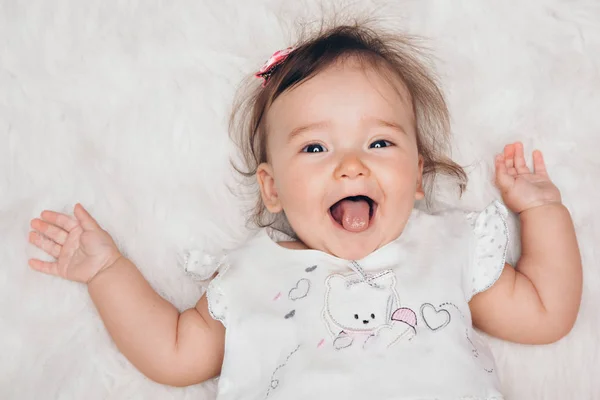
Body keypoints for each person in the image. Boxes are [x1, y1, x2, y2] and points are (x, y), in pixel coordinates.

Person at [27, 23, 582, 399]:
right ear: (272, 190)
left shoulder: (448, 248)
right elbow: (173, 353)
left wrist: (541, 211)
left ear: (418, 175)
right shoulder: (249, 275)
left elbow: (545, 313)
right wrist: (106, 273)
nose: (349, 166)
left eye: (380, 144)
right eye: (315, 148)